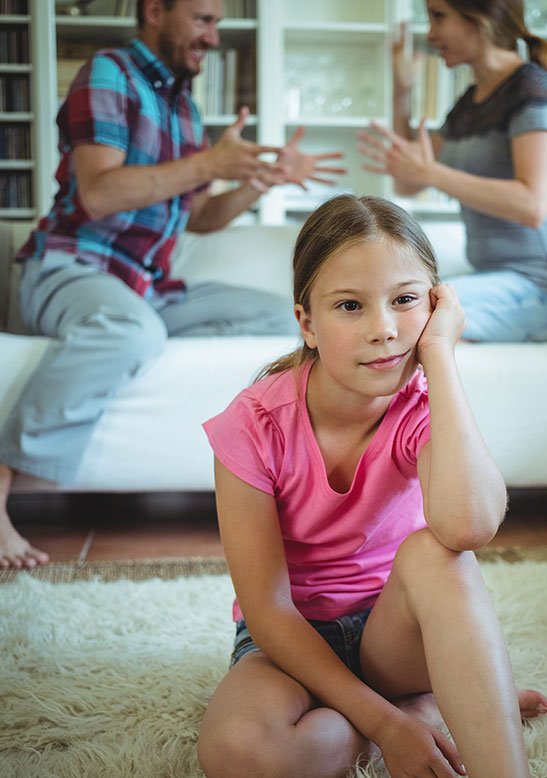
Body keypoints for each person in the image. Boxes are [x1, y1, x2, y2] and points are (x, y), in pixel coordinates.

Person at [198, 194, 547, 778]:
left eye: (406, 301)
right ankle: (417, 711)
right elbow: (268, 611)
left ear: (436, 307)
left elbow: (469, 526)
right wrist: (389, 727)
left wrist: (440, 357)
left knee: (441, 555)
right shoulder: (253, 424)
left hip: (395, 637)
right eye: (350, 306)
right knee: (238, 753)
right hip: (289, 642)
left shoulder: (423, 406)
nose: (385, 330)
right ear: (307, 323)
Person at [0, 0, 345, 569]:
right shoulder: (109, 73)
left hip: (148, 285)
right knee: (129, 331)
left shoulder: (183, 109)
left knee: (295, 316)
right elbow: (100, 193)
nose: (213, 38)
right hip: (70, 268)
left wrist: (264, 181)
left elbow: (200, 217)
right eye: (203, 20)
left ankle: (306, 481)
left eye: (217, 24)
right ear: (156, 11)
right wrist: (209, 163)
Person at [358, 0, 547, 344]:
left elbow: (533, 204)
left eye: (439, 17)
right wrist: (402, 93)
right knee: (390, 307)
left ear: (482, 16)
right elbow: (408, 180)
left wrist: (433, 173)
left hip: (546, 289)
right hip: (494, 279)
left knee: (414, 318)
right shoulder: (470, 103)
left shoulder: (531, 89)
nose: (431, 33)